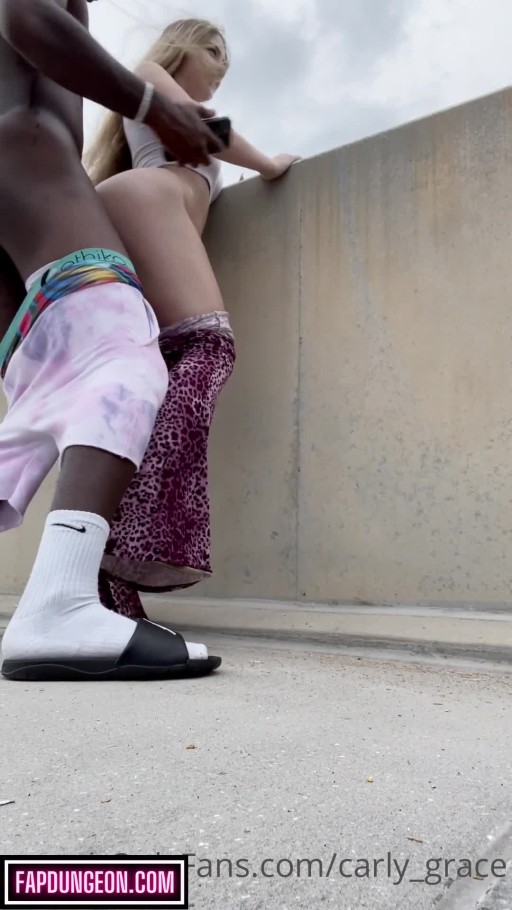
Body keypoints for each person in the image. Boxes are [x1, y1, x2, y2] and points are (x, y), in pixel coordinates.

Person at [0, 0, 227, 681]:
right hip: (34, 193)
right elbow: (26, 18)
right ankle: (60, 607)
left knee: (37, 416)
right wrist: (155, 106)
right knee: (125, 366)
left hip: (24, 230)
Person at [85, 18, 300, 619]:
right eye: (212, 49)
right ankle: (123, 542)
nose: (222, 63)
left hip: (137, 211)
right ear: (178, 47)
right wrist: (270, 165)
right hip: (145, 203)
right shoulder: (149, 73)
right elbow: (208, 132)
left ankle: (101, 571)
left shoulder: (147, 110)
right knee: (209, 349)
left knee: (147, 387)